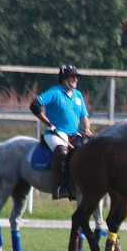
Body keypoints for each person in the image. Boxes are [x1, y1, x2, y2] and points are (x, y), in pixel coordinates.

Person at [29, 65, 93, 199]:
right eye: (72, 76)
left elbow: (84, 116)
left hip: (74, 134)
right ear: (64, 79)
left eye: (76, 77)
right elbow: (35, 105)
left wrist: (87, 128)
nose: (76, 79)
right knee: (61, 152)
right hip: (56, 133)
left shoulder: (78, 95)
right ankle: (58, 187)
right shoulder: (55, 92)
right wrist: (48, 123)